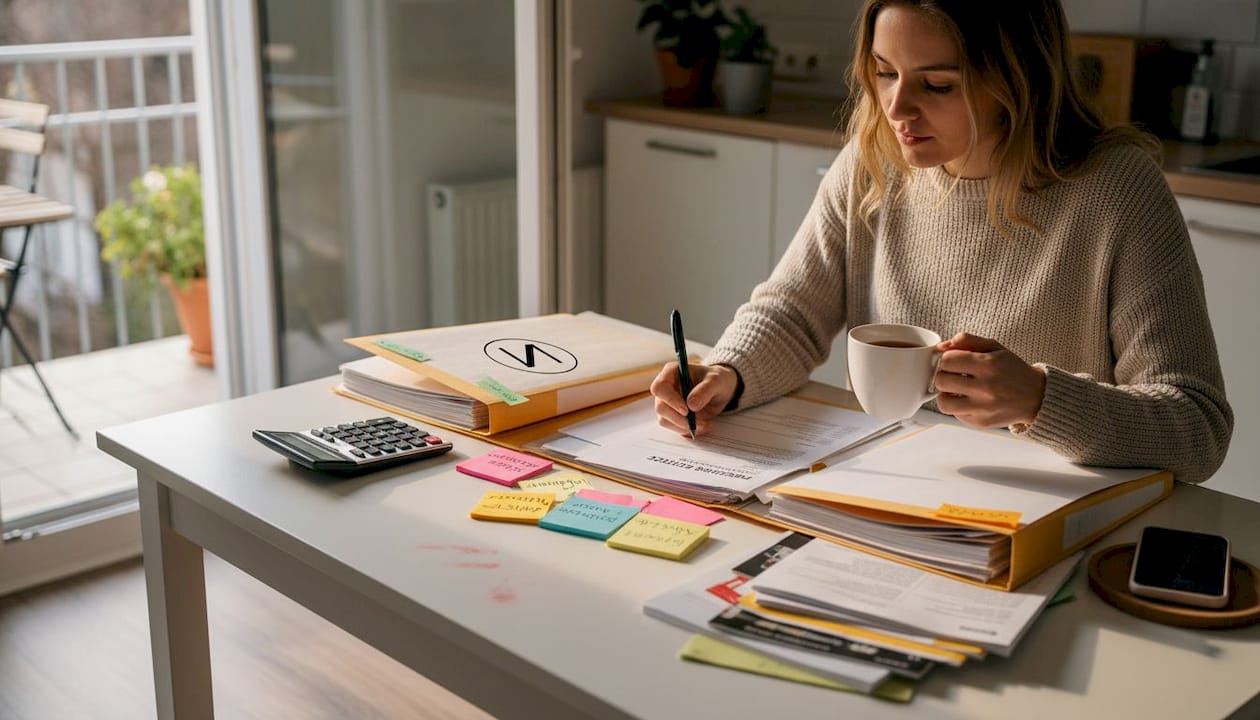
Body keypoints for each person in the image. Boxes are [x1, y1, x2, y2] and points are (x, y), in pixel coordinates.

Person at [650, 0, 1232, 484]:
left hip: (1050, 514)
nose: (897, 108)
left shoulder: (1117, 191)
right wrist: (727, 373)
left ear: (1015, 78)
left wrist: (1040, 399)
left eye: (936, 84)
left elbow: (1199, 428)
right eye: (884, 72)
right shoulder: (873, 160)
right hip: (892, 485)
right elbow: (794, 309)